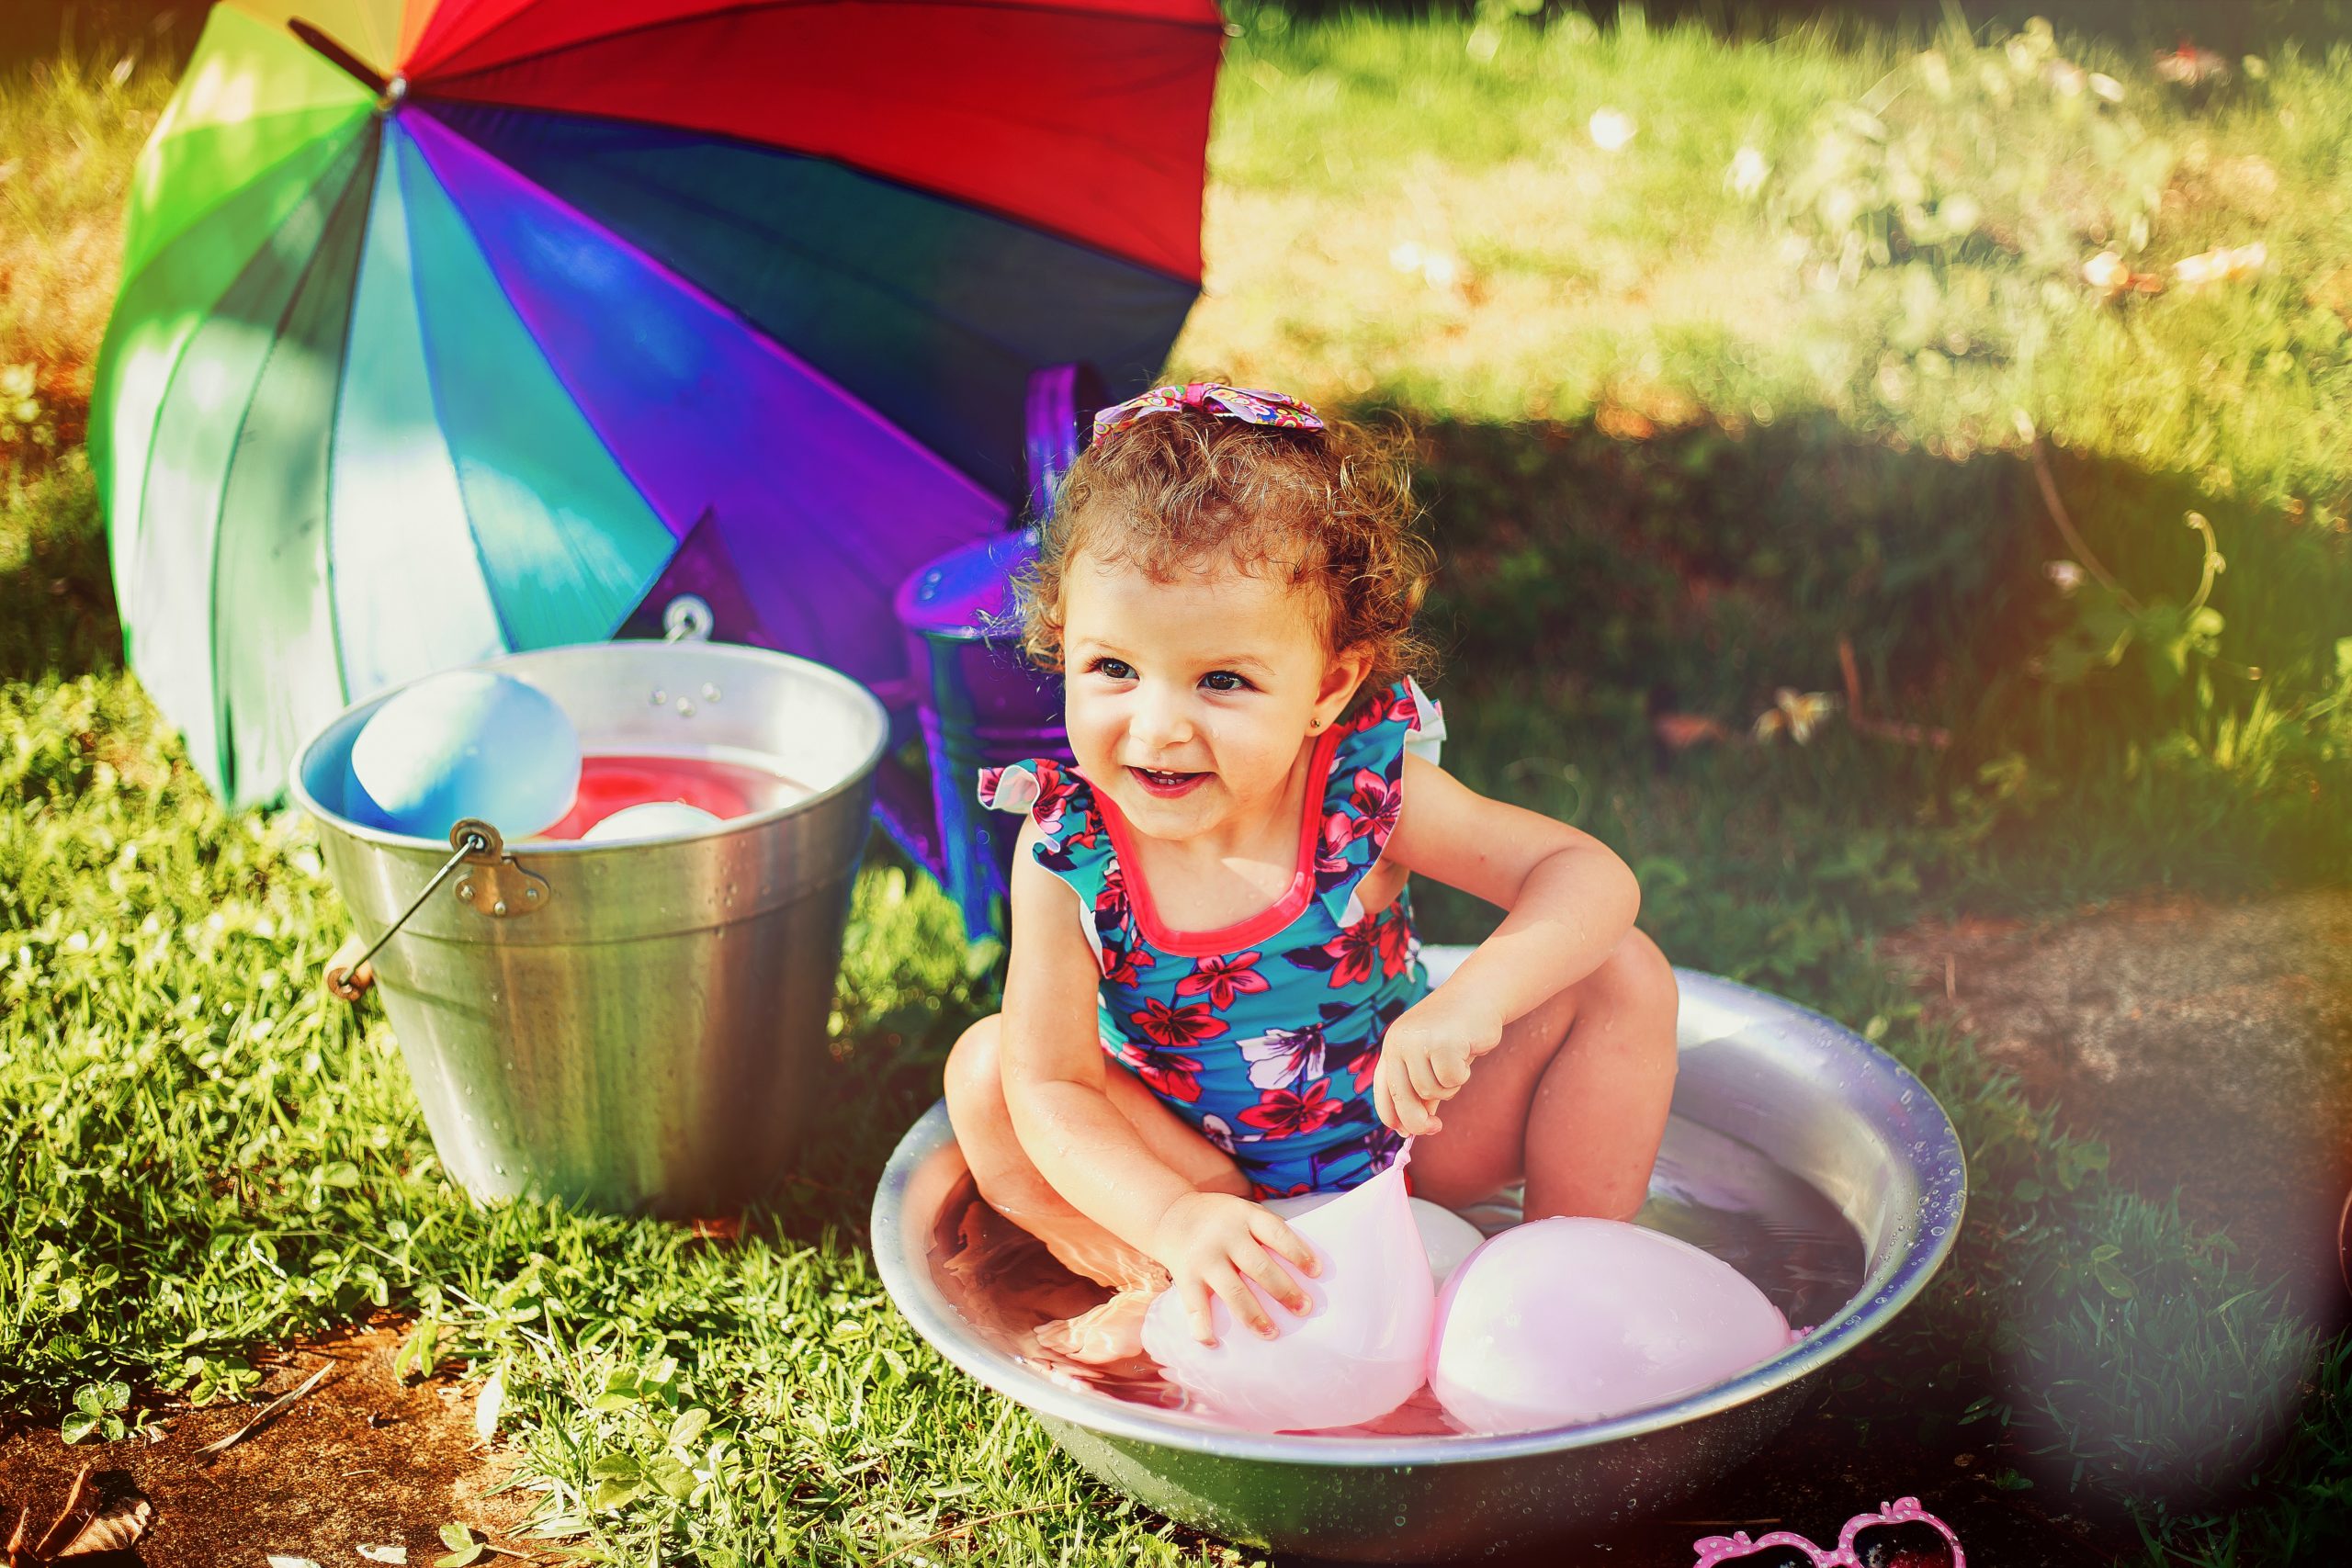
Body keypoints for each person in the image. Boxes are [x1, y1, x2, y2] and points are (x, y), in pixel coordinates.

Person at [944, 382, 1679, 1360]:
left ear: (1326, 688)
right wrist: (1171, 1217)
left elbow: (1581, 873)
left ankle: (1555, 1280)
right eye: (1113, 668)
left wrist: (1474, 1005)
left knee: (1617, 969)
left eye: (1222, 681)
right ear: (1062, 646)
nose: (1158, 725)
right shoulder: (1068, 845)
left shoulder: (1361, 790)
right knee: (990, 1069)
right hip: (1199, 1171)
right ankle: (1160, 1280)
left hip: (1405, 1136)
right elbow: (1056, 1085)